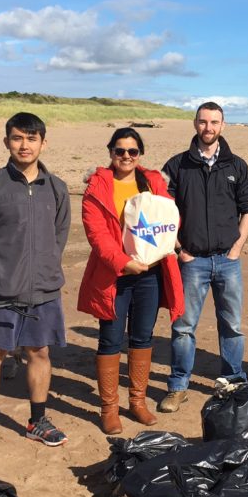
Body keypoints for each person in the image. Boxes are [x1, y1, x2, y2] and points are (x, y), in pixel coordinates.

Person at [0, 112, 72, 461]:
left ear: (43, 142)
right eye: (17, 138)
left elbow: (59, 235)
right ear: (7, 141)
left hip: (43, 290)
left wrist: (42, 269)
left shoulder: (55, 188)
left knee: (39, 353)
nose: (24, 145)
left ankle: (37, 421)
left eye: (31, 138)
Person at [77, 128, 184, 433]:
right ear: (110, 152)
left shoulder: (152, 181)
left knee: (142, 337)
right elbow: (96, 234)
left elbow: (169, 217)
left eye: (132, 151)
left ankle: (137, 402)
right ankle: (109, 408)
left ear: (140, 154)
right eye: (119, 151)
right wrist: (124, 262)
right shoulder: (96, 187)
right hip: (114, 276)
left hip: (150, 272)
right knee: (110, 338)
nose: (126, 156)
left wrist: (168, 247)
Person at [158, 102, 248, 412]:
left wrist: (237, 248)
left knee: (232, 325)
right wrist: (178, 248)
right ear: (195, 124)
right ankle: (177, 386)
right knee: (183, 326)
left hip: (228, 261)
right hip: (192, 260)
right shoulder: (178, 165)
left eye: (214, 122)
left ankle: (232, 381)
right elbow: (162, 211)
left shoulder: (236, 165)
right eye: (203, 122)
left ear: (223, 125)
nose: (208, 128)